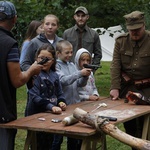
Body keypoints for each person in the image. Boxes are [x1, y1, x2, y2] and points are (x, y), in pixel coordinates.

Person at [0, 1, 42, 150]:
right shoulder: (9, 43)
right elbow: (17, 80)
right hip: (3, 113)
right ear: (14, 19)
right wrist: (32, 70)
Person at [109, 10, 150, 150]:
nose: (134, 33)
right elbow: (115, 65)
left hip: (147, 89)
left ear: (144, 25)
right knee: (130, 127)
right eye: (131, 30)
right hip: (127, 88)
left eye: (137, 29)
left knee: (147, 126)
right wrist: (115, 87)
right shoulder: (121, 41)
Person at [26, 43, 66, 150]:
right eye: (41, 58)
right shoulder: (34, 75)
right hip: (36, 116)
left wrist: (61, 102)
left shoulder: (55, 75)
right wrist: (51, 106)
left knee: (52, 143)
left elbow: (60, 93)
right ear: (36, 58)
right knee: (39, 144)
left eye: (47, 59)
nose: (44, 61)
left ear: (53, 60)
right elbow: (35, 97)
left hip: (52, 116)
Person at [55, 40, 91, 150]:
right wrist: (80, 73)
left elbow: (79, 84)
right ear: (58, 53)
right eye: (67, 53)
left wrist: (85, 76)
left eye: (71, 52)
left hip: (75, 104)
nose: (70, 55)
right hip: (62, 105)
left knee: (74, 136)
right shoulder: (56, 66)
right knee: (58, 136)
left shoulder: (72, 65)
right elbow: (63, 81)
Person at [63, 6, 102, 72]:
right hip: (70, 70)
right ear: (74, 17)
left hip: (87, 70)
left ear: (87, 17)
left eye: (83, 16)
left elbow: (98, 54)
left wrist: (92, 68)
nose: (80, 18)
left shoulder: (94, 34)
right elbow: (62, 52)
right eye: (78, 16)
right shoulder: (67, 33)